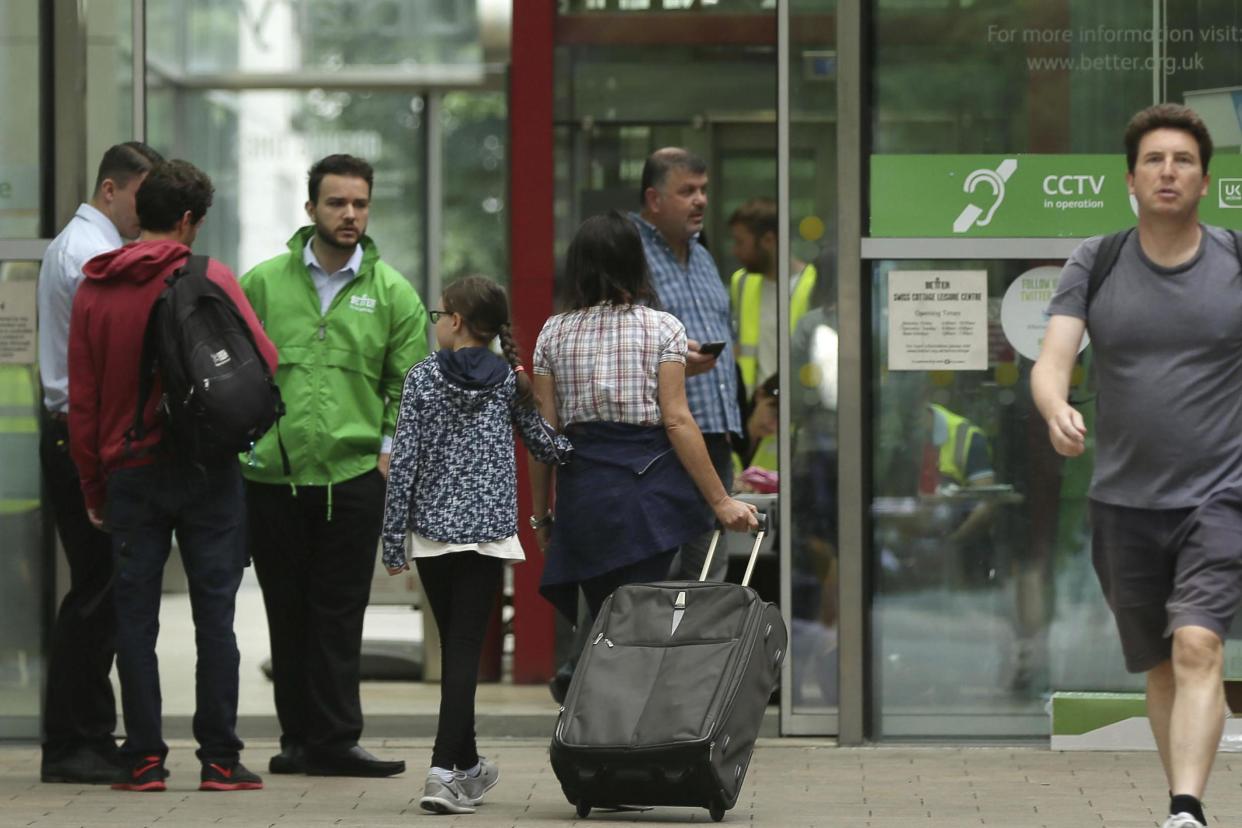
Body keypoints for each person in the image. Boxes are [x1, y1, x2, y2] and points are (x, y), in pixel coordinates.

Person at [1032, 103, 1239, 828]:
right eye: (1154, 160)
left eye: (1182, 160)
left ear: (1205, 181)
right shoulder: (1100, 259)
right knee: (1157, 661)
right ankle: (1181, 796)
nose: (1168, 172)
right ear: (1131, 179)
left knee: (1198, 643)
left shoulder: (1236, 259)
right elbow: (1052, 360)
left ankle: (1186, 810)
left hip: (1222, 493)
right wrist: (1057, 408)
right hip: (1123, 499)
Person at [68, 159, 274, 792]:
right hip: (208, 469)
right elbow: (261, 360)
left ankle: (145, 760)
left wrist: (93, 487)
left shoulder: (94, 288)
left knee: (135, 621)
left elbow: (83, 402)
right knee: (216, 616)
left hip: (129, 472)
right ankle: (218, 760)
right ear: (187, 220)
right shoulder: (209, 276)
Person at [241, 153, 428, 778]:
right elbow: (235, 374)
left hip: (351, 480)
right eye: (337, 203)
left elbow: (409, 386)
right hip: (273, 478)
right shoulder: (262, 283)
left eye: (360, 203)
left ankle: (337, 738)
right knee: (285, 611)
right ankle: (299, 741)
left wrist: (385, 455)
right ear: (311, 209)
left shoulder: (393, 292)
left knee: (339, 612)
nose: (350, 214)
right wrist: (246, 449)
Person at [381, 276, 571, 815]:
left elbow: (404, 467)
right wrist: (587, 448)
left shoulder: (421, 378)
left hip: (432, 537)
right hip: (488, 539)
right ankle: (455, 768)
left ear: (457, 321)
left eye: (439, 313)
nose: (436, 321)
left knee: (457, 649)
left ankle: (455, 768)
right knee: (463, 650)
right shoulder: (510, 383)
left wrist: (393, 540)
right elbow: (545, 444)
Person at [531, 211, 757, 624]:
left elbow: (545, 434)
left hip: (585, 500)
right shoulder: (663, 329)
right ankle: (645, 685)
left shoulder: (552, 333)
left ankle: (603, 683)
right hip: (650, 501)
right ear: (636, 263)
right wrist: (721, 501)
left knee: (608, 619)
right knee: (647, 618)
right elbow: (677, 421)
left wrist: (542, 515)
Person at [36, 141, 163, 784]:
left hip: (74, 430)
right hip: (79, 432)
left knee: (101, 593)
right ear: (110, 189)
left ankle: (86, 734)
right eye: (141, 199)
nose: (146, 213)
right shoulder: (89, 253)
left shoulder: (80, 245)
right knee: (96, 594)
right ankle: (70, 743)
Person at [630, 148, 742, 582]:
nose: (700, 201)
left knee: (709, 572)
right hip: (662, 438)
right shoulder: (631, 254)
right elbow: (618, 342)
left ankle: (702, 652)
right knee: (659, 573)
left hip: (714, 434)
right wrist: (673, 364)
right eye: (687, 191)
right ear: (654, 199)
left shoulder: (704, 256)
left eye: (704, 191)